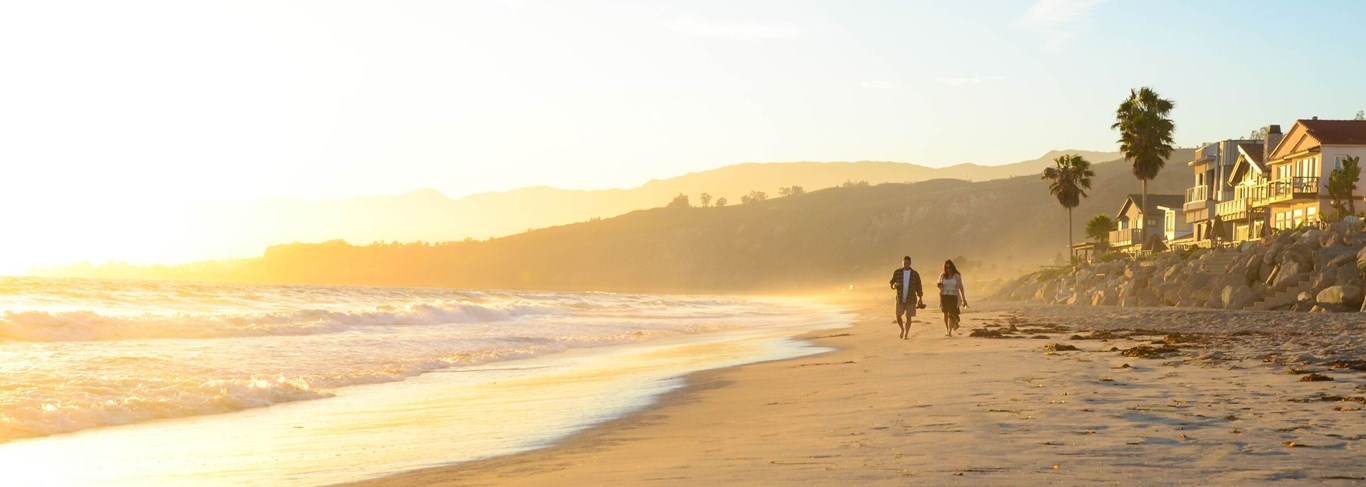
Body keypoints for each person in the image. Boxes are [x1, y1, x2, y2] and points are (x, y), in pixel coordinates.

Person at [888, 256, 923, 340]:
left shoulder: (915, 274)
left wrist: (920, 298)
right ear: (902, 263)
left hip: (911, 299)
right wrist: (894, 285)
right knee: (898, 315)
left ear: (910, 263)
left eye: (907, 263)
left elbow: (919, 286)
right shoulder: (897, 272)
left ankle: (906, 334)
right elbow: (892, 282)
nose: (905, 265)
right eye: (904, 263)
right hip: (900, 298)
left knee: (908, 317)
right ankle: (902, 329)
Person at [937, 259, 968, 336]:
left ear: (952, 267)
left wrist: (963, 298)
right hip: (944, 296)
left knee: (952, 314)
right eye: (947, 267)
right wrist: (939, 285)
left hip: (953, 296)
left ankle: (949, 331)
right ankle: (947, 329)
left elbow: (961, 287)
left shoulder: (957, 275)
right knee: (945, 314)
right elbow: (938, 284)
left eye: (950, 267)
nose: (948, 269)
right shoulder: (943, 275)